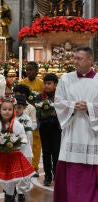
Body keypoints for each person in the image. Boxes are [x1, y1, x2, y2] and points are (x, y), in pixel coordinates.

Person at [53, 46, 98, 202]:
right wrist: (72, 106)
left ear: (90, 60)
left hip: (91, 133)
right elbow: (58, 103)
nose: (75, 61)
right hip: (72, 130)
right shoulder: (66, 79)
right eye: (74, 58)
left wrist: (89, 108)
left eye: (79, 58)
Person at [0, 95, 34, 202]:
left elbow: (24, 138)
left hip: (14, 157)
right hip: (0, 157)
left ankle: (10, 197)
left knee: (12, 180)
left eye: (10, 109)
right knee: (3, 180)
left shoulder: (18, 125)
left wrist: (16, 143)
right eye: (4, 109)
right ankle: (8, 194)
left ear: (14, 110)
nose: (7, 112)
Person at [35, 73, 61, 187]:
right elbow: (38, 113)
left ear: (55, 84)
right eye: (45, 83)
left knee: (56, 152)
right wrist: (47, 113)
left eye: (49, 83)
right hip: (44, 128)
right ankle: (47, 176)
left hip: (56, 128)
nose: (47, 86)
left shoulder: (60, 96)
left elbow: (64, 111)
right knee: (46, 153)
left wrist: (57, 113)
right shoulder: (40, 97)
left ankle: (56, 175)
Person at [19, 61, 44, 177]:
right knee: (23, 141)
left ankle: (34, 167)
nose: (29, 72)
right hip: (23, 115)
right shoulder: (22, 82)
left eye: (31, 69)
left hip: (36, 116)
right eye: (27, 70)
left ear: (36, 71)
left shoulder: (41, 84)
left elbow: (43, 100)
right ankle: (23, 165)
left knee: (36, 143)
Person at [14, 94, 34, 202]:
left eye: (19, 107)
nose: (17, 110)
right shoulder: (8, 117)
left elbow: (29, 134)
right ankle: (11, 191)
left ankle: (21, 192)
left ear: (25, 108)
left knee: (25, 172)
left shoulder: (27, 119)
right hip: (11, 150)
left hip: (24, 149)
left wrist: (20, 141)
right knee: (12, 171)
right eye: (15, 107)